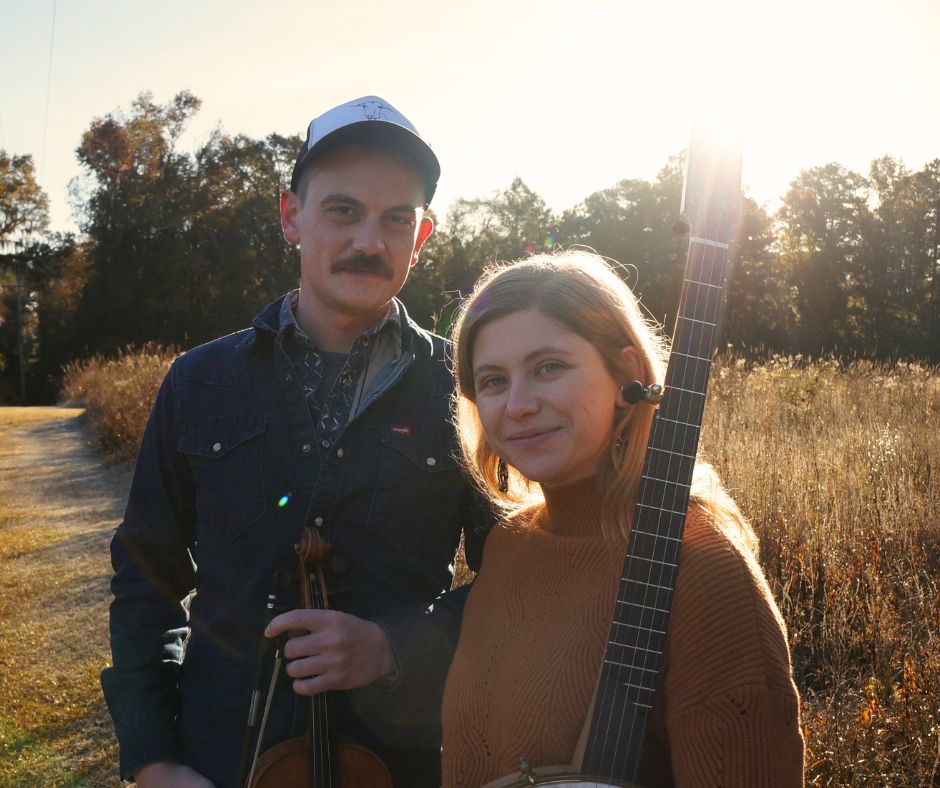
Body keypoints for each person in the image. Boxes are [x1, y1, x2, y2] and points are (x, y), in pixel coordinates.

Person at [101, 96, 492, 788]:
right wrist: (153, 760)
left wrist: (392, 646)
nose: (370, 242)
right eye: (342, 210)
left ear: (422, 237)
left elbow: (517, 579)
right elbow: (146, 572)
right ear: (291, 216)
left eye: (395, 219)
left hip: (404, 764)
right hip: (219, 759)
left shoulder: (469, 387)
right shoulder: (199, 380)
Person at [441, 251, 804, 787]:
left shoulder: (701, 566)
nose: (516, 404)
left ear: (628, 375)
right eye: (493, 380)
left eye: (548, 368)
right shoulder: (511, 544)